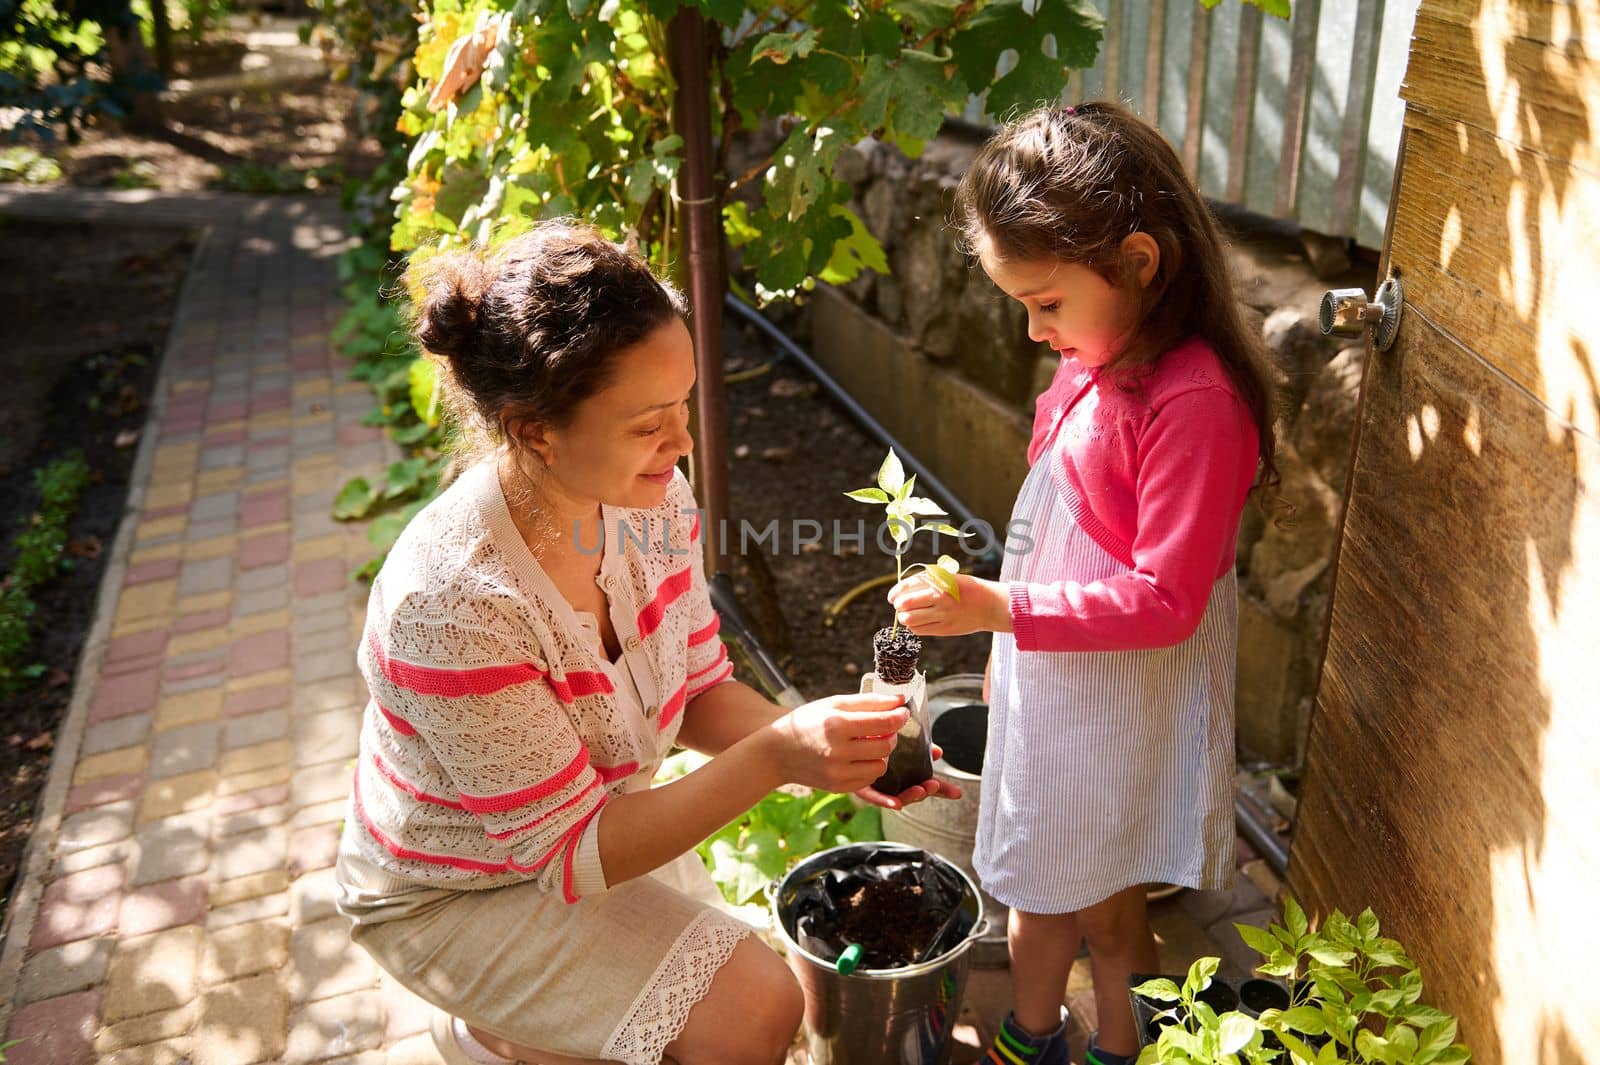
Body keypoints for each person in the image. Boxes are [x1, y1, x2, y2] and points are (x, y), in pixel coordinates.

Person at [333, 220, 958, 1065]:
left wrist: (838, 741)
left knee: (705, 1019)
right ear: (534, 431)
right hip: (450, 888)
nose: (685, 443)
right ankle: (495, 1031)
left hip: (577, 829)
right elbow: (572, 854)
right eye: (648, 422)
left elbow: (698, 687)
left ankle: (523, 1037)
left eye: (684, 406)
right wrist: (778, 753)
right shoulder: (449, 604)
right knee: (754, 1009)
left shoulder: (652, 500)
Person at [887, 102, 1279, 1065]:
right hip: (1060, 683)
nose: (1032, 330)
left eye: (1047, 302)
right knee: (1062, 886)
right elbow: (1062, 520)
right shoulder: (1097, 361)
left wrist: (1000, 609)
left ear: (1140, 263)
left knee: (1074, 893)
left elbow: (1165, 600)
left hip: (1112, 706)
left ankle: (1087, 1043)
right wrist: (1000, 630)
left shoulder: (1197, 404)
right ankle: (1045, 1031)